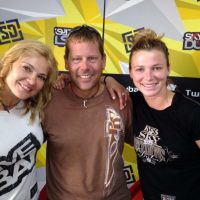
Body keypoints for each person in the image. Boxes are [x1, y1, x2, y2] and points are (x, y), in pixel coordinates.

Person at [42, 25, 133, 200]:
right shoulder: (48, 100)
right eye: (76, 59)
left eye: (92, 58)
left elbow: (148, 148)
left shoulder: (120, 98)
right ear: (66, 62)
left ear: (103, 61)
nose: (85, 67)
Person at [108, 28, 200, 200]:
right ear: (131, 73)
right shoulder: (130, 104)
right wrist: (108, 79)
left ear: (168, 69)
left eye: (156, 68)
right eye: (140, 69)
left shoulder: (192, 113)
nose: (148, 77)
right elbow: (89, 80)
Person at [0, 40, 58, 200]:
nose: (32, 81)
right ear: (9, 62)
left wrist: (107, 79)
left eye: (41, 77)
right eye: (26, 68)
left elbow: (82, 79)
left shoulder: (35, 102)